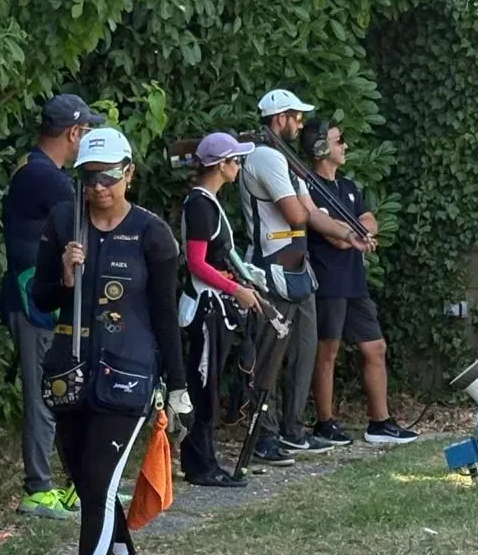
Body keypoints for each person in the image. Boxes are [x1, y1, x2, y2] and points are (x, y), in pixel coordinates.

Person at [30, 128, 191, 555]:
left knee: (99, 483)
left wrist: (180, 385)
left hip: (130, 375)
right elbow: (41, 297)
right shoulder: (63, 222)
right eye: (88, 178)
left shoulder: (153, 233)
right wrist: (63, 272)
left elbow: (166, 317)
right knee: (87, 483)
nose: (98, 187)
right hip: (69, 371)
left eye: (108, 176)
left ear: (129, 173)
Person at [236, 89, 371, 465]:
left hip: (298, 270)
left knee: (303, 351)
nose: (301, 125)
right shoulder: (264, 157)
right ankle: (264, 434)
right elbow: (297, 215)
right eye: (295, 117)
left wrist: (349, 234)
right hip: (268, 268)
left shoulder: (285, 158)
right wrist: (329, 224)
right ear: (280, 119)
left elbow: (311, 211)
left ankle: (293, 430)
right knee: (269, 357)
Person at [0, 93, 104, 521]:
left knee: (60, 392)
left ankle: (69, 482)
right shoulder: (47, 179)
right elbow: (95, 215)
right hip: (33, 304)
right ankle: (39, 488)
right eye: (88, 134)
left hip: (38, 301)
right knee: (45, 395)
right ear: (74, 132)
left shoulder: (35, 168)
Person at [300, 117, 418, 446]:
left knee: (375, 347)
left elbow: (369, 220)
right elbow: (333, 236)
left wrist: (357, 232)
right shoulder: (307, 188)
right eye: (339, 141)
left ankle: (380, 422)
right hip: (328, 282)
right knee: (328, 351)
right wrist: (350, 233)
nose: (345, 146)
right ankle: (325, 422)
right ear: (320, 148)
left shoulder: (348, 187)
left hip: (354, 281)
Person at [176, 132, 263, 487]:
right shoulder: (200, 205)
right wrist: (236, 289)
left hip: (215, 305)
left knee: (208, 385)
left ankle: (204, 460)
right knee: (204, 386)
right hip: (204, 307)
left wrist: (239, 279)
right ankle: (200, 465)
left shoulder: (208, 202)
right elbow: (196, 263)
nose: (238, 166)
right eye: (235, 161)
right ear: (220, 165)